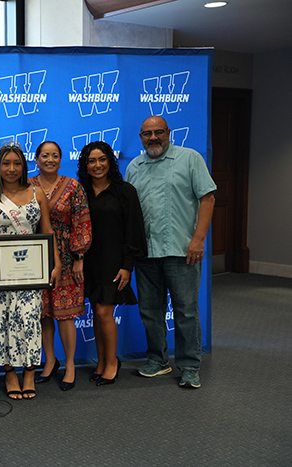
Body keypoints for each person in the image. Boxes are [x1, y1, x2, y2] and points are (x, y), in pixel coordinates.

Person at [125, 116, 216, 389]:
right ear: (140, 136)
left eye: (158, 132)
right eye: (147, 134)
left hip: (182, 251)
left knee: (186, 311)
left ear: (168, 133)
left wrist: (199, 239)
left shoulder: (189, 159)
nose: (153, 138)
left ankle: (189, 366)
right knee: (150, 311)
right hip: (146, 254)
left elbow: (208, 198)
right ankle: (157, 360)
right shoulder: (134, 167)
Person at [0, 142, 59, 399]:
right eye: (6, 164)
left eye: (17, 163)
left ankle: (30, 370)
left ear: (24, 166)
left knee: (29, 319)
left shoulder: (37, 193)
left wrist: (56, 263)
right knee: (4, 321)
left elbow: (47, 230)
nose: (11, 169)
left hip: (30, 271)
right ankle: (10, 372)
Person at [77, 141, 147, 386]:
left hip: (113, 261)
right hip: (87, 261)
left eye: (102, 159)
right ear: (85, 165)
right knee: (97, 312)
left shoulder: (125, 191)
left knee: (105, 312)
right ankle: (102, 360)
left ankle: (112, 362)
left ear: (110, 161)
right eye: (92, 161)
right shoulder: (80, 190)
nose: (97, 165)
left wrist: (128, 265)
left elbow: (134, 230)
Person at [29, 141, 92, 391]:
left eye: (55, 155)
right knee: (43, 313)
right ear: (36, 159)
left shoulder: (73, 186)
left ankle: (70, 364)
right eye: (45, 155)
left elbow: (82, 221)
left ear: (61, 159)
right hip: (35, 259)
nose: (50, 160)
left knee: (65, 315)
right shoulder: (28, 186)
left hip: (67, 258)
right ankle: (50, 361)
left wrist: (79, 257)